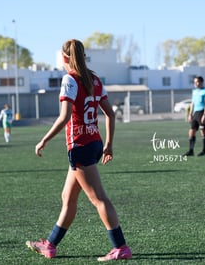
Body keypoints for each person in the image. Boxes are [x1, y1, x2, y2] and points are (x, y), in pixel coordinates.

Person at [26, 39, 132, 262]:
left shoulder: (70, 79)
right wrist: (108, 144)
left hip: (80, 146)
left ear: (64, 58)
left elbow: (64, 117)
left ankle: (120, 247)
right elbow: (110, 114)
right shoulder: (94, 79)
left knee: (99, 199)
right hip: (93, 143)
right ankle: (50, 245)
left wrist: (43, 139)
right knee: (68, 197)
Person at [183, 76, 205, 157]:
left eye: (197, 82)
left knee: (203, 132)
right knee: (191, 131)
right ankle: (191, 151)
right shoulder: (194, 92)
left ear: (201, 82)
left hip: (202, 113)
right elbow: (193, 103)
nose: (196, 83)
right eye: (194, 82)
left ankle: (204, 151)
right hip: (195, 114)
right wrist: (190, 114)